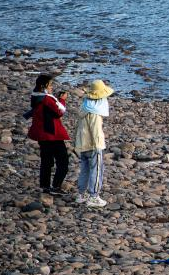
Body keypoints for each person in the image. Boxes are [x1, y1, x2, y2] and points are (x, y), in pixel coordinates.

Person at [26, 73, 71, 194]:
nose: (52, 87)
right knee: (63, 161)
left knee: (46, 161)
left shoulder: (36, 97)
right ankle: (56, 187)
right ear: (44, 85)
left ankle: (45, 186)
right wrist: (61, 99)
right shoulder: (46, 98)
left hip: (42, 134)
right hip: (52, 134)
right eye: (50, 85)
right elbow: (59, 111)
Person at [74, 79, 114, 208]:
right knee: (96, 170)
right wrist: (98, 147)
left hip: (83, 144)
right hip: (93, 145)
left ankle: (81, 194)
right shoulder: (95, 114)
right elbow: (96, 131)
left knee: (84, 169)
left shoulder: (84, 107)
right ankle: (94, 196)